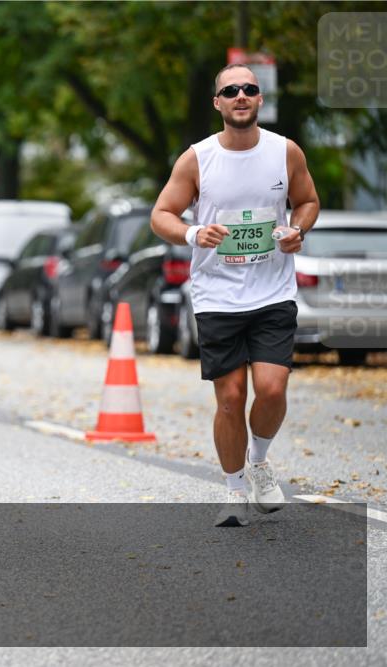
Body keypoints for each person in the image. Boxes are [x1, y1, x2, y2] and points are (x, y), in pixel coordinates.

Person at [150, 64, 319, 527]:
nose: (240, 95)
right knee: (230, 399)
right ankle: (234, 491)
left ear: (260, 99)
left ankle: (258, 461)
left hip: (272, 291)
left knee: (272, 388)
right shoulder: (197, 159)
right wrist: (193, 233)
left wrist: (297, 229)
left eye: (249, 89)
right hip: (217, 296)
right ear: (217, 103)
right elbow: (161, 214)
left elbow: (308, 201)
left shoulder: (285, 152)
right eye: (230, 91)